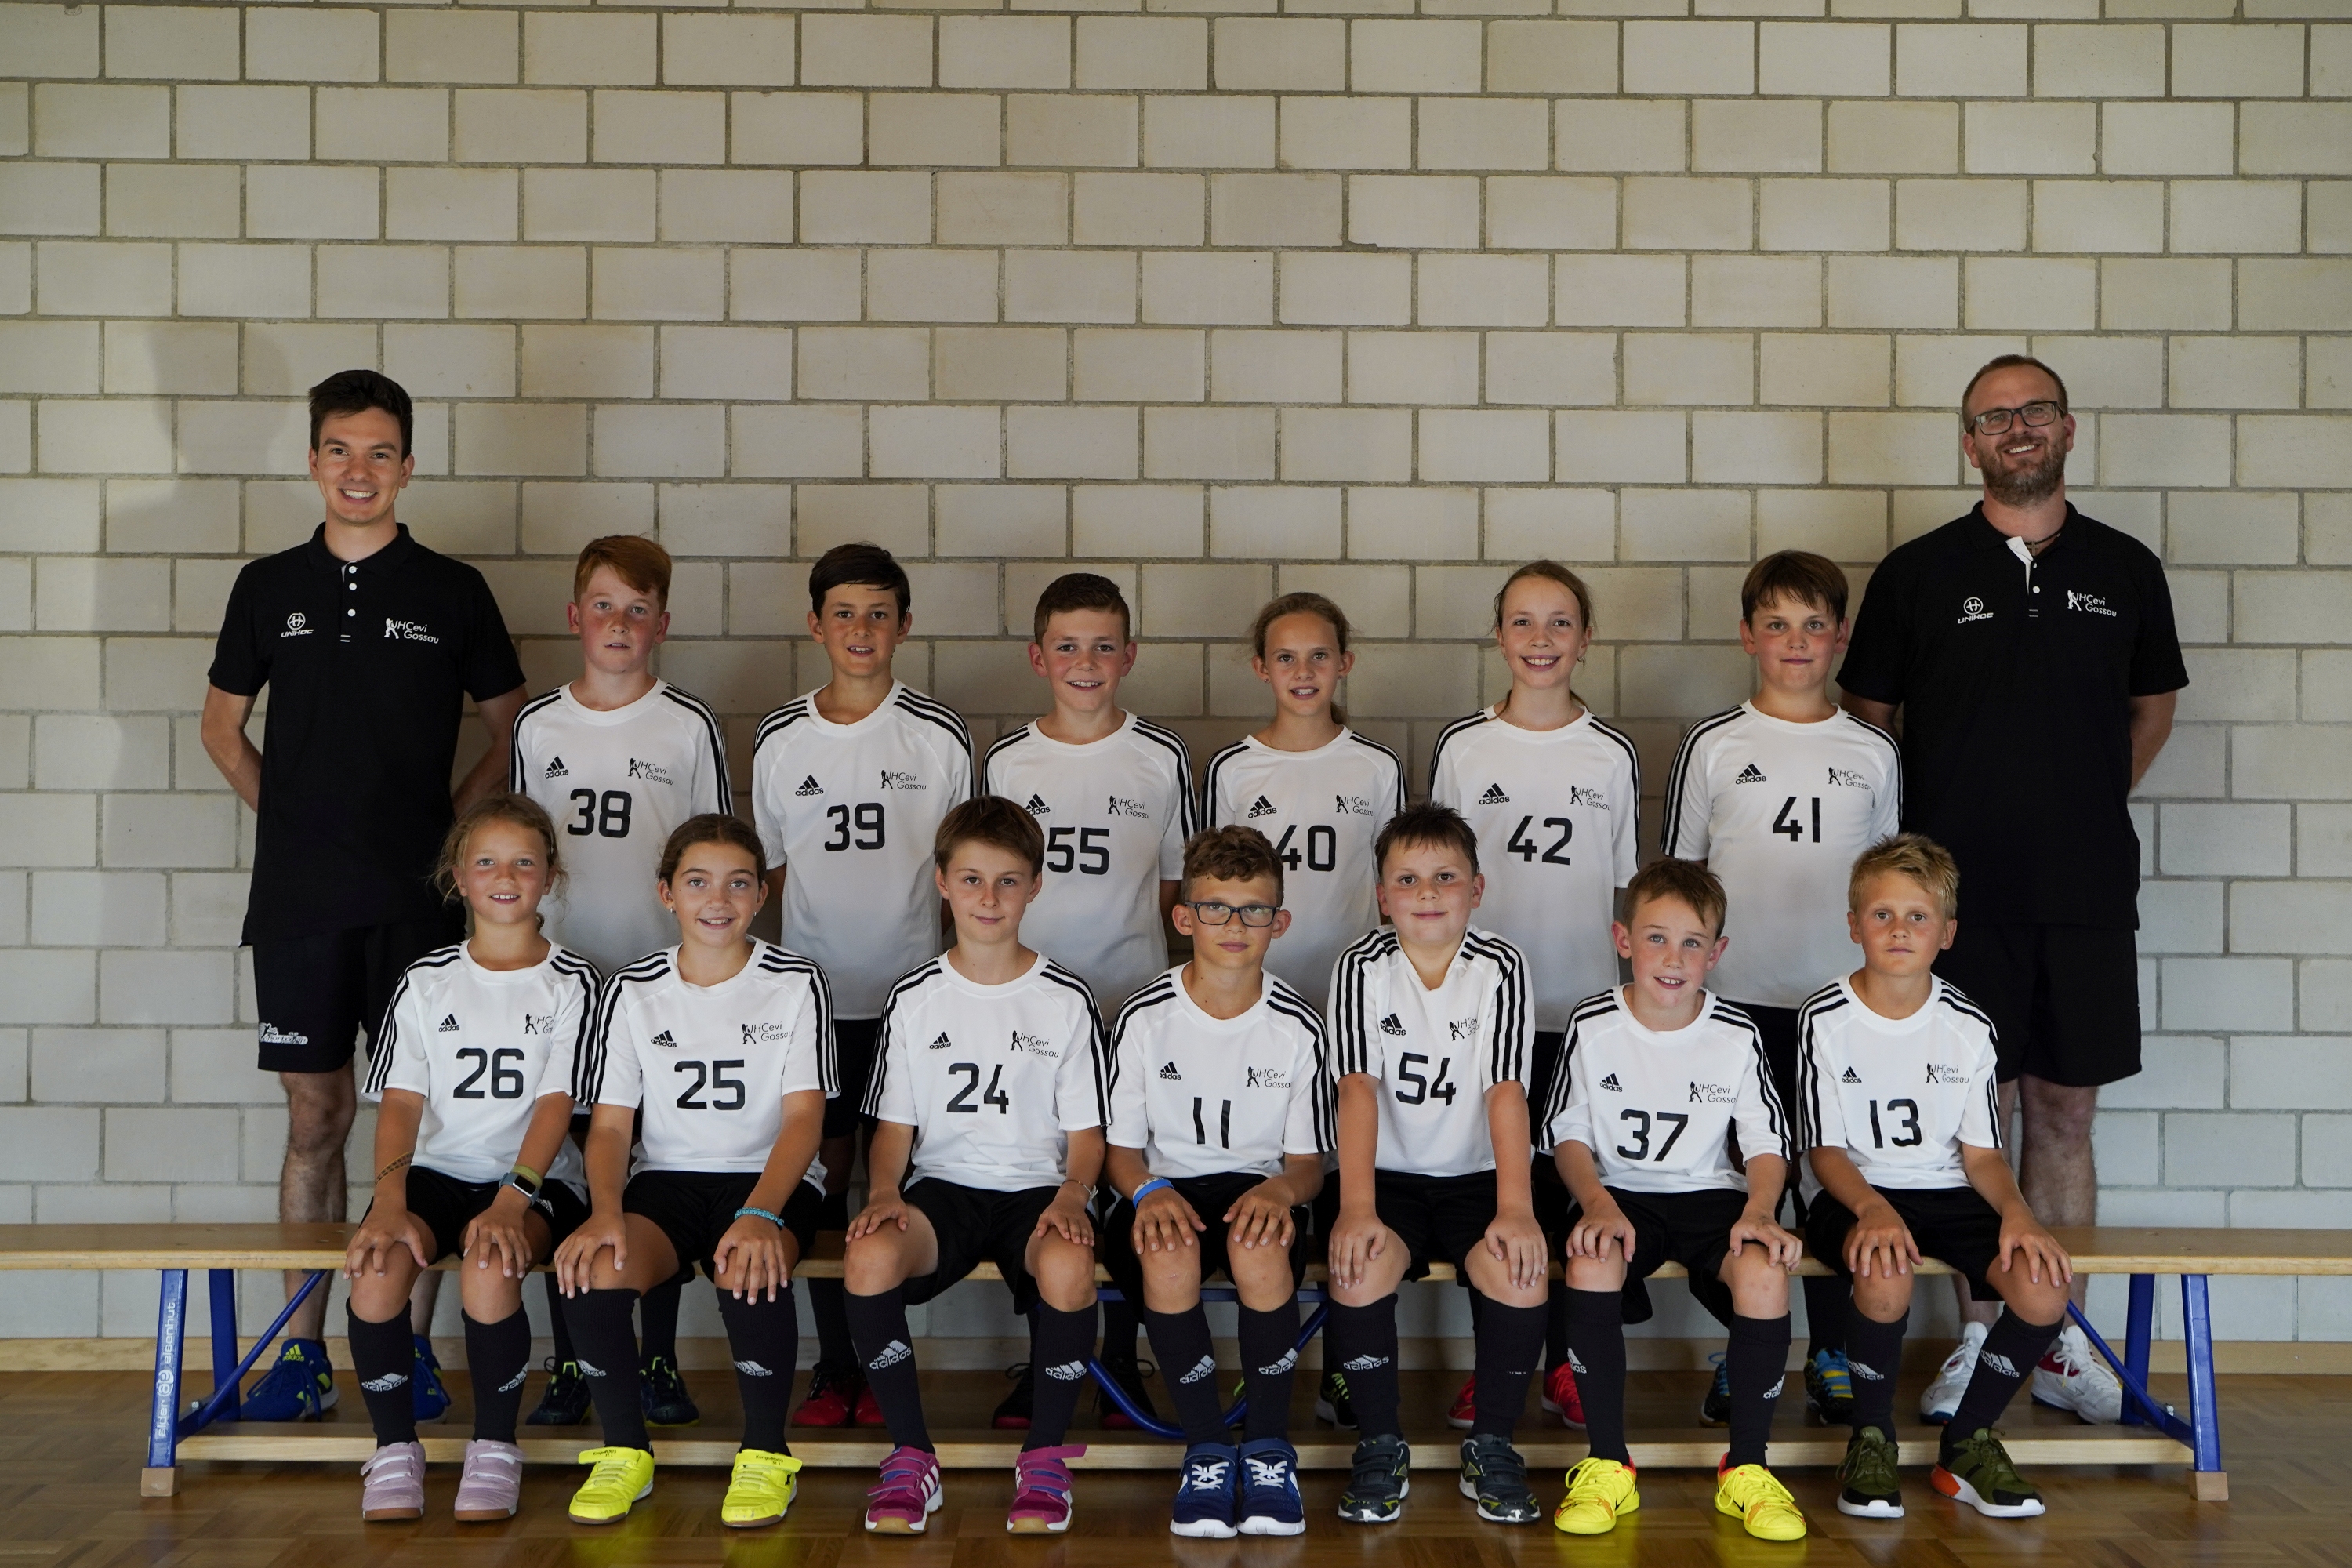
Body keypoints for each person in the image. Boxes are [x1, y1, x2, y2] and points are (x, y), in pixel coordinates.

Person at [1836, 354, 2183, 1425]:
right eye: (1996, 416)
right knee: (1970, 1117)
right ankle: (1983, 1338)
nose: (2018, 428)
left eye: (2036, 411)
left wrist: (2086, 795)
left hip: (2083, 889)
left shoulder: (2125, 567)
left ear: (2068, 429)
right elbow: (1870, 720)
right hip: (1954, 904)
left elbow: (2152, 706)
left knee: (2064, 1114)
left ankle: (2061, 1340)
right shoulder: (1918, 573)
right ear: (1969, 442)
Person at [203, 369, 527, 1421]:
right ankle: (302, 1353)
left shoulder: (452, 589)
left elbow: (511, 727)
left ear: (407, 466)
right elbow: (220, 729)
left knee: (417, 1122)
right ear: (313, 460)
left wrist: (448, 834)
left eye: (380, 452)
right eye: (340, 449)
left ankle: (407, 1350)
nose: (359, 469)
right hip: (301, 901)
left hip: (416, 905)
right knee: (317, 1116)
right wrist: (297, 820)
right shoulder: (266, 586)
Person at [1660, 550, 1900, 1429]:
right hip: (1731, 1005)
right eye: (1777, 624)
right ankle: (1748, 1345)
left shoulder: (1873, 749)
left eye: (1813, 625)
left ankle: (1831, 1350)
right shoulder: (1714, 744)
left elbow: (1890, 880)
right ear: (1747, 635)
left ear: (1839, 636)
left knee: (1833, 1179)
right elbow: (1678, 883)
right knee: (1739, 1179)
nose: (1796, 642)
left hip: (1841, 1008)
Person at [554, 815, 834, 1529]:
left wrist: (761, 1213)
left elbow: (805, 1119)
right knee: (594, 1272)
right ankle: (625, 1452)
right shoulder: (633, 988)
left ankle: (765, 1454)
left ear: (761, 895)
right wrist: (605, 1212)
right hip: (667, 1181)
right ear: (667, 893)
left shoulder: (796, 981)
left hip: (770, 1179)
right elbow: (610, 1126)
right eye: (698, 882)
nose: (718, 899)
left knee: (749, 1267)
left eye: (738, 883)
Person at [749, 543, 972, 1430]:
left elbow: (964, 877)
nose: (861, 629)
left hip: (910, 1005)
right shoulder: (780, 737)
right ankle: (835, 1367)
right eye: (844, 612)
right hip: (816, 1005)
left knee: (895, 1186)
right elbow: (770, 877)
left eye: (879, 613)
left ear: (904, 626)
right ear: (816, 625)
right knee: (826, 1178)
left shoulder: (939, 735)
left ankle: (885, 1366)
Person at [509, 534, 730, 1431]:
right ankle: (573, 1357)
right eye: (603, 604)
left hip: (658, 978)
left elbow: (715, 853)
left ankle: (657, 1357)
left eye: (638, 609)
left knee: (651, 1166)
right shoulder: (538, 726)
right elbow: (515, 849)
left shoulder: (687, 725)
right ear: (575, 616)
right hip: (561, 979)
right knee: (566, 1164)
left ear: (661, 624)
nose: (619, 622)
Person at [844, 796, 1109, 1536]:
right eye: (971, 879)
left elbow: (1087, 1134)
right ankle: (911, 1456)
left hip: (1039, 1191)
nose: (988, 898)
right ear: (942, 883)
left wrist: (1074, 1194)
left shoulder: (1065, 998)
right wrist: (885, 1190)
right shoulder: (914, 996)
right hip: (943, 1191)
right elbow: (894, 1126)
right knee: (868, 1255)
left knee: (1069, 1265)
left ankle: (1046, 1457)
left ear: (1035, 886)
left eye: (1007, 881)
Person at [1798, 834, 2076, 1521]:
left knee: (2044, 1288)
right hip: (1852, 1191)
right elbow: (1823, 1151)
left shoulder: (1968, 1025)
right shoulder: (1823, 1018)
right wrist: (1872, 1208)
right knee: (1885, 1270)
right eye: (1883, 914)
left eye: (1918, 916)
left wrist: (2020, 1214)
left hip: (1948, 1192)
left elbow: (1981, 1156)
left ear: (1946, 933)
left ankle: (1969, 1440)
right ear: (1854, 925)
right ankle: (1871, 1438)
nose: (1900, 930)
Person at [343, 794, 596, 1522]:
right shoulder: (426, 981)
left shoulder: (574, 982)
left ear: (550, 876)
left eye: (523, 862)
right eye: (486, 862)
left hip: (538, 1181)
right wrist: (389, 1203)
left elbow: (556, 1105)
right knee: (377, 1270)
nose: (504, 877)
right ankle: (394, 1450)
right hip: (438, 1172)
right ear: (458, 878)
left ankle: (494, 1447)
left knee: (490, 1266)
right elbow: (400, 1103)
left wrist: (512, 1202)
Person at [1538, 858, 1806, 1542]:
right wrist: (1594, 1202)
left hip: (1710, 1194)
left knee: (1763, 1271)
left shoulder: (1736, 1032)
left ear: (1716, 953)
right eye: (1656, 938)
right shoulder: (1593, 1022)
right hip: (1618, 1193)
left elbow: (1766, 1141)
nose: (1673, 958)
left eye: (1693, 943)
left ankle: (1748, 1467)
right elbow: (1567, 1134)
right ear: (1623, 940)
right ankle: (1608, 1464)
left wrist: (1760, 1209)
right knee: (1590, 1260)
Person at [1428, 562, 1638, 1432]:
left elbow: (1622, 889)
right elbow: (1435, 879)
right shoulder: (1463, 747)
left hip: (1578, 1010)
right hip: (1482, 1013)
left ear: (1586, 638)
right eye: (1523, 621)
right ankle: (1497, 1369)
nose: (1541, 639)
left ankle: (1567, 1367)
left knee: (1564, 1186)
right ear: (1499, 635)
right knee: (1494, 1192)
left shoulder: (1610, 753)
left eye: (1559, 622)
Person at [981, 572, 1193, 1426]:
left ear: (1129, 655)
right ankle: (1049, 1363)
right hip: (1031, 1013)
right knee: (1047, 1181)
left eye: (1104, 645)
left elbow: (1175, 890)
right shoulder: (1006, 761)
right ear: (1039, 657)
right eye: (1067, 645)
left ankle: (1121, 1361)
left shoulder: (1162, 756)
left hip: (1130, 1006)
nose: (1086, 661)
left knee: (1126, 1179)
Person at [1201, 593, 1404, 1433]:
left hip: (1349, 1007)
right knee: (1279, 1183)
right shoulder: (1232, 769)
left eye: (1320, 655)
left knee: (1351, 1188)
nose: (1304, 671)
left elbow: (1397, 894)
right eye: (1285, 656)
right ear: (1261, 668)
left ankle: (1345, 1367)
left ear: (1345, 663)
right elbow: (1212, 890)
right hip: (1259, 1010)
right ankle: (1271, 1366)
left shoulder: (1376, 767)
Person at [1102, 825, 1330, 1538]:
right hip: (1159, 1187)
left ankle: (1267, 1453)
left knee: (1260, 1249)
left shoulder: (1298, 1026)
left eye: (1254, 909)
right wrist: (1147, 1192)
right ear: (1184, 917)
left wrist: (1281, 1192)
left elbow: (1307, 1166)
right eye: (1216, 908)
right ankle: (1205, 1451)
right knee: (1167, 1253)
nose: (1235, 925)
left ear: (1279, 922)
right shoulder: (1144, 1017)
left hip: (1257, 1188)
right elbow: (1118, 1152)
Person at [1324, 803, 1548, 1527]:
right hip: (1385, 1176)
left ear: (1476, 889)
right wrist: (1357, 1207)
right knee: (1357, 1266)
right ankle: (1378, 1443)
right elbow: (1357, 1088)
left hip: (1477, 1176)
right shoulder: (1361, 966)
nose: (1427, 893)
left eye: (1446, 877)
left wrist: (1516, 1208)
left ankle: (1494, 1444)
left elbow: (1506, 1090)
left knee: (1518, 1268)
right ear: (1382, 897)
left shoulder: (1501, 965)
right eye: (1408, 879)